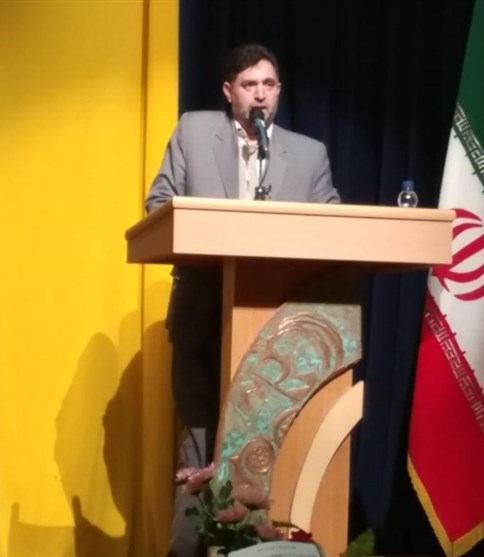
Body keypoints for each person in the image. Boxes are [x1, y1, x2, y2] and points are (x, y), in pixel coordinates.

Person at [144, 43, 341, 557]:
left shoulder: (309, 154)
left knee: (270, 448)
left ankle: (265, 549)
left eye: (268, 85)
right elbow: (159, 203)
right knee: (201, 447)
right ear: (229, 91)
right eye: (249, 85)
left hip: (281, 332)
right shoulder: (193, 131)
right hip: (202, 317)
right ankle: (186, 552)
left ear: (279, 92)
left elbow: (334, 228)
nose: (260, 94)